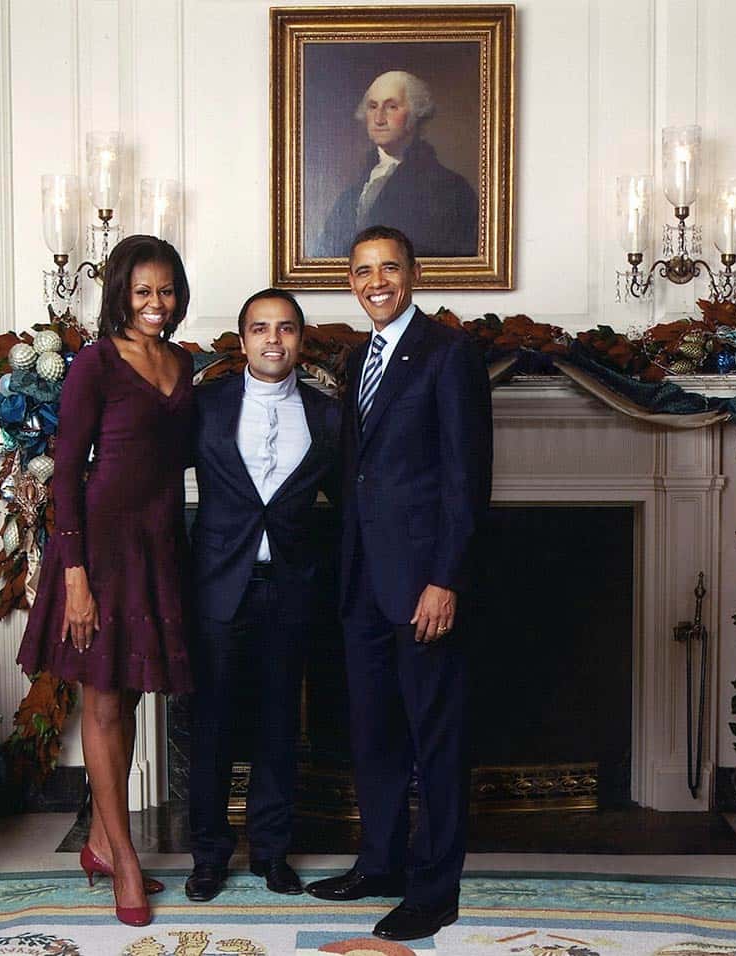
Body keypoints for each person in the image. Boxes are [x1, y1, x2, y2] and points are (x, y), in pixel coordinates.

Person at [305, 226, 492, 942]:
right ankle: (379, 863)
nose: (374, 281)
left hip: (422, 586)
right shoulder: (358, 358)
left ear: (414, 273)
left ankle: (434, 888)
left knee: (433, 739)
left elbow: (466, 481)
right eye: (361, 271)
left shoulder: (449, 354)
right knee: (374, 733)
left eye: (388, 268)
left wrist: (445, 581)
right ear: (349, 281)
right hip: (362, 582)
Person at [17, 234, 195, 928]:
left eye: (168, 290)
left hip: (158, 545)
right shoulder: (94, 363)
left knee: (131, 700)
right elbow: (65, 473)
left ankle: (98, 840)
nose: (157, 303)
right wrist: (76, 578)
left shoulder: (183, 362)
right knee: (102, 704)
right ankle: (122, 855)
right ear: (119, 291)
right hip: (99, 550)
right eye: (144, 290)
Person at [185, 288, 340, 903]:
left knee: (280, 728)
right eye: (260, 329)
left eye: (285, 329)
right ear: (242, 339)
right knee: (213, 726)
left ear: (301, 341)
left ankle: (272, 854)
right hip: (218, 588)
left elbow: (358, 505)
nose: (273, 340)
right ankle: (208, 857)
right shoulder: (204, 406)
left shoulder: (328, 415)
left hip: (291, 589)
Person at [316, 70, 479, 259]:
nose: (379, 118)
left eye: (392, 107)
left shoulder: (450, 189)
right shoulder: (351, 195)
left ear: (416, 114)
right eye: (372, 106)